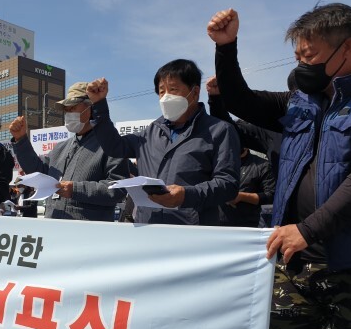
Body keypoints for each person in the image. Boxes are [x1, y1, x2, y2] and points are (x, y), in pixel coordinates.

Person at [208, 3, 351, 329]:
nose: (303, 65)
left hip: (344, 259)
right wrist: (226, 48)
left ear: (347, 48)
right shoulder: (299, 104)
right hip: (296, 258)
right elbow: (240, 102)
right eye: (298, 57)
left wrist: (308, 229)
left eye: (310, 56)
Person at [85, 60, 241, 225]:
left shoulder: (219, 131)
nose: (166, 97)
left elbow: (228, 185)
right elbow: (114, 147)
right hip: (147, 227)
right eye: (161, 91)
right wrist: (99, 104)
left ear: (195, 92)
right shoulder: (150, 132)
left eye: (173, 89)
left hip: (192, 233)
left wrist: (186, 195)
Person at [9, 82, 130, 222]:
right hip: (53, 224)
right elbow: (37, 171)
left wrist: (75, 189)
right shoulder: (60, 147)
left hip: (88, 233)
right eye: (66, 110)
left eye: (72, 108)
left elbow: (118, 189)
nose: (68, 114)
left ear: (90, 108)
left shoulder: (110, 145)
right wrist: (21, 140)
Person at [206, 76, 276, 227]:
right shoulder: (213, 164)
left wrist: (242, 197)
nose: (229, 142)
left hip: (246, 228)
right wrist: (215, 98)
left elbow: (271, 196)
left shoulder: (262, 166)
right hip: (213, 226)